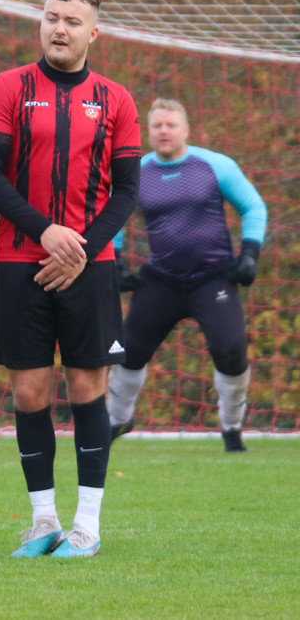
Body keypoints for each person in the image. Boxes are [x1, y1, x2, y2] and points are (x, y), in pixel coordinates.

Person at [0, 0, 141, 558]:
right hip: (20, 262)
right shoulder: (8, 87)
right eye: (50, 18)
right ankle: (43, 523)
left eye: (71, 20)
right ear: (40, 23)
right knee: (29, 392)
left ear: (94, 31)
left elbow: (126, 191)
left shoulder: (115, 98)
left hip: (92, 267)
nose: (59, 29)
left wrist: (82, 252)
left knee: (89, 388)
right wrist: (45, 232)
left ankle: (86, 528)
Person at [109, 98, 266, 452]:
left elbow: (253, 205)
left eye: (170, 125)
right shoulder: (136, 171)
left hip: (213, 278)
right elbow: (113, 215)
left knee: (230, 350)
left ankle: (231, 428)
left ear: (185, 131)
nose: (163, 131)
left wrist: (250, 255)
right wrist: (115, 264)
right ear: (147, 132)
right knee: (127, 351)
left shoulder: (214, 165)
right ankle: (117, 421)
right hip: (161, 278)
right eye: (157, 126)